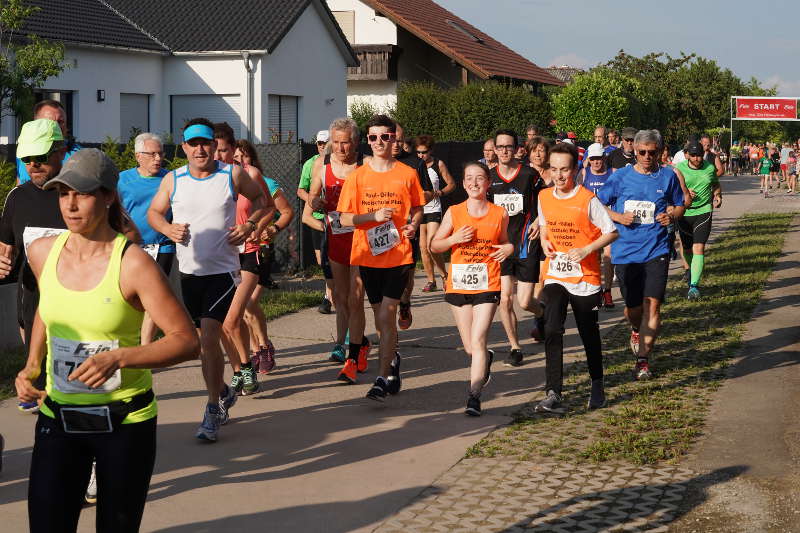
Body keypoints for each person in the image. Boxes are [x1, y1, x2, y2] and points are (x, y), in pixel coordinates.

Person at [16, 148, 199, 533]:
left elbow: (185, 340)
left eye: (81, 194)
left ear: (107, 196)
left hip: (124, 420)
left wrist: (119, 358)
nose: (70, 204)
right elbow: (47, 311)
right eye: (63, 193)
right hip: (58, 415)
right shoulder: (41, 252)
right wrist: (32, 365)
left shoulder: (133, 263)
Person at [148, 118, 268, 441]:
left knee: (209, 338)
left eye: (206, 143)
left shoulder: (231, 174)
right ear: (184, 148)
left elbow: (261, 200)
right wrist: (167, 229)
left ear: (214, 147)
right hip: (190, 274)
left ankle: (213, 408)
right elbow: (153, 213)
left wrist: (250, 226)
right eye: (194, 144)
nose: (200, 149)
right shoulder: (174, 180)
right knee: (204, 345)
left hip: (224, 274)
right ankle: (223, 389)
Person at [337, 114, 425, 401]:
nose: (379, 143)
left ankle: (381, 378)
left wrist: (413, 224)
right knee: (380, 321)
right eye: (373, 138)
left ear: (393, 139)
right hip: (367, 256)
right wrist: (371, 216)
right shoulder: (357, 177)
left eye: (384, 137)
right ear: (367, 141)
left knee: (387, 317)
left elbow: (418, 208)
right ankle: (393, 361)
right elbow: (345, 219)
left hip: (398, 255)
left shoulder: (407, 173)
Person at [534, 143, 618, 414]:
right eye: (554, 169)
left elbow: (611, 231)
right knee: (552, 328)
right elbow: (545, 224)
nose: (559, 176)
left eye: (565, 170)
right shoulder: (544, 196)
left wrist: (586, 249)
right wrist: (546, 241)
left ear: (575, 170)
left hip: (586, 277)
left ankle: (597, 385)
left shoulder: (587, 199)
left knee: (588, 333)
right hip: (556, 274)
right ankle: (553, 391)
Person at [597, 129, 685, 380]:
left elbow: (680, 204)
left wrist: (672, 216)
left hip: (657, 249)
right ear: (634, 151)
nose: (647, 156)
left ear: (659, 152)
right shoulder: (621, 177)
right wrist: (617, 216)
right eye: (642, 152)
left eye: (652, 152)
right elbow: (598, 203)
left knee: (653, 305)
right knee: (633, 309)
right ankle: (635, 328)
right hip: (626, 251)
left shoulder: (667, 176)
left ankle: (643, 360)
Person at [430, 162, 512, 416]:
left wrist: (509, 249)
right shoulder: (454, 212)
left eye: (479, 178)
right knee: (470, 347)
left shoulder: (499, 213)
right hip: (459, 284)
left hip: (488, 283)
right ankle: (485, 358)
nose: (474, 183)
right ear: (463, 183)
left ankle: (474, 396)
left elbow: (506, 242)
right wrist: (453, 239)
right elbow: (435, 245)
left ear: (488, 183)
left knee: (477, 340)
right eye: (469, 179)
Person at [1, 119, 69, 412]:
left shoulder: (80, 193)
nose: (33, 165)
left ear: (60, 151)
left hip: (78, 301)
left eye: (40, 157)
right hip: (32, 300)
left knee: (73, 386)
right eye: (27, 158)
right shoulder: (17, 198)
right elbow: (6, 248)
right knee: (41, 399)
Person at [212, 122, 275, 397]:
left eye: (223, 150)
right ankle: (238, 371)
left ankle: (247, 368)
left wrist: (252, 227)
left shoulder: (248, 174)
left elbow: (269, 206)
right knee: (225, 321)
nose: (218, 156)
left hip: (249, 252)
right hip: (220, 256)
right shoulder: (205, 179)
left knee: (232, 318)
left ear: (233, 148)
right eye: (214, 150)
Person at [307, 117, 371, 382]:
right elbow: (311, 196)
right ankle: (350, 343)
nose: (340, 148)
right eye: (336, 143)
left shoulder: (365, 165)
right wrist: (317, 201)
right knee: (341, 298)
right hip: (336, 237)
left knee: (356, 299)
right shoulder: (322, 167)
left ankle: (352, 356)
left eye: (345, 143)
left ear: (355, 142)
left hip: (360, 238)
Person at [234, 139, 294, 374]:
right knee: (242, 307)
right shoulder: (227, 182)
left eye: (244, 157)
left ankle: (264, 346)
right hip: (236, 251)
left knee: (248, 302)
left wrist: (272, 228)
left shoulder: (265, 183)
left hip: (260, 249)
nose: (240, 161)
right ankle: (257, 348)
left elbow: (286, 211)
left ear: (252, 159)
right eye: (235, 157)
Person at [489, 129, 545, 366]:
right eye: (499, 147)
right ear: (494, 149)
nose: (503, 151)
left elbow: (545, 201)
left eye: (508, 147)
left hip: (525, 244)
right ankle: (515, 347)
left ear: (516, 149)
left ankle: (542, 313)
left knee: (524, 302)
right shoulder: (488, 177)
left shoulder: (529, 175)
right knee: (504, 300)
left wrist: (538, 221)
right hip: (500, 246)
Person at [117, 132, 175, 345]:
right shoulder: (122, 180)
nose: (158, 159)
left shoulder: (170, 178)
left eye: (160, 154)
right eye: (152, 154)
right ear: (138, 156)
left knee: (154, 297)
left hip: (163, 247)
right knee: (130, 296)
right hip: (131, 248)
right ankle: (128, 338)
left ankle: (145, 345)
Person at [393, 123, 434, 331]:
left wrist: (411, 198)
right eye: (393, 138)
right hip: (382, 228)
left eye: (400, 140)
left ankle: (405, 302)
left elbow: (428, 193)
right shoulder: (373, 164)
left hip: (408, 226)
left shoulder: (414, 163)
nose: (396, 144)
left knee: (407, 275)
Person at [675, 140, 722, 300]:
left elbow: (715, 184)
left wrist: (718, 195)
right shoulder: (679, 169)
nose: (696, 158)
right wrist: (685, 193)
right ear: (687, 155)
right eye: (693, 155)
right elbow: (672, 191)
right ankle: (690, 271)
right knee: (687, 250)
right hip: (684, 213)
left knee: (699, 248)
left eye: (699, 155)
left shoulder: (709, 168)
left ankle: (694, 286)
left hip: (704, 211)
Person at [298, 131, 335, 313]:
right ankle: (332, 293)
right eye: (320, 143)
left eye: (325, 143)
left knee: (333, 262)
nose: (322, 146)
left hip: (337, 220)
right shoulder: (311, 164)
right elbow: (301, 190)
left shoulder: (341, 163)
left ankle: (329, 297)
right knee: (323, 262)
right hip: (318, 219)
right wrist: (313, 200)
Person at [414, 134, 455, 292]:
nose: (421, 155)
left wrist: (440, 192)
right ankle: (432, 280)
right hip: (419, 209)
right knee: (423, 247)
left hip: (434, 208)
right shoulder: (414, 165)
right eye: (418, 152)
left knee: (431, 245)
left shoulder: (438, 164)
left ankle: (444, 276)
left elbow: (451, 184)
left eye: (424, 152)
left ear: (430, 151)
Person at [580, 143, 615, 309]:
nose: (596, 162)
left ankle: (607, 291)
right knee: (593, 257)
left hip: (608, 221)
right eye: (593, 159)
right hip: (590, 223)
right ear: (589, 159)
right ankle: (595, 291)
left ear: (604, 157)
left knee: (608, 256)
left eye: (599, 158)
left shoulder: (612, 173)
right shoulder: (584, 173)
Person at [16, 99, 80, 185]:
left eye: (60, 122)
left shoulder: (80, 155)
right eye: (49, 122)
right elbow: (20, 183)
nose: (56, 126)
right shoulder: (24, 152)